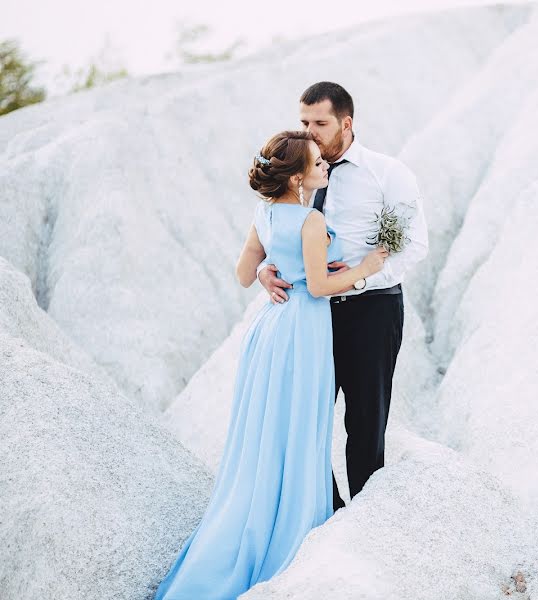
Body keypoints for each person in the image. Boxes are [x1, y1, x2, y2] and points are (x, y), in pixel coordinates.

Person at [154, 130, 388, 599]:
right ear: (299, 177)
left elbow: (243, 275)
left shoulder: (263, 213)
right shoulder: (310, 220)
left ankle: (260, 510)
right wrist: (370, 266)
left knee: (267, 430)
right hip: (303, 331)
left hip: (270, 329)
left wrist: (264, 269)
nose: (325, 169)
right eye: (319, 165)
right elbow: (320, 286)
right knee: (301, 426)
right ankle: (293, 530)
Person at [258, 82, 428, 510]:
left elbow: (415, 245)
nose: (310, 131)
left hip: (373, 308)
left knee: (366, 421)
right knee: (306, 420)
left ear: (346, 123)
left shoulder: (387, 172)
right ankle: (329, 514)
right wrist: (264, 270)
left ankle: (368, 523)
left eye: (320, 123)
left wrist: (357, 278)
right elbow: (267, 232)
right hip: (312, 313)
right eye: (304, 122)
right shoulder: (295, 172)